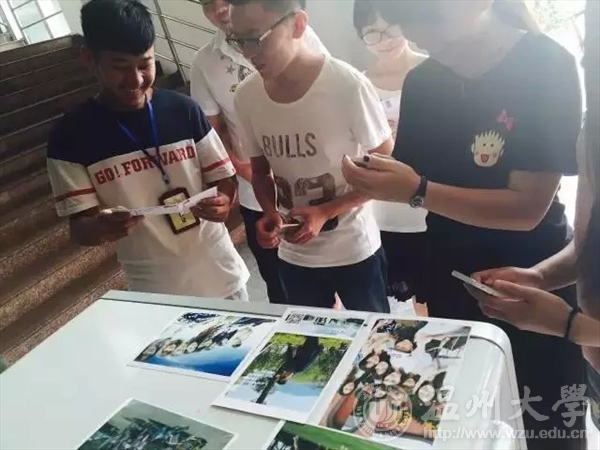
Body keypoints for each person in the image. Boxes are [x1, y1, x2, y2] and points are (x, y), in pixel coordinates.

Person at [341, 1, 586, 447]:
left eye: (428, 16)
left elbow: (527, 208)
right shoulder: (424, 81)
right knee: (467, 417)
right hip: (452, 271)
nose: (417, 34)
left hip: (533, 275)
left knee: (549, 421)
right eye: (407, 20)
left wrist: (416, 190)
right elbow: (413, 176)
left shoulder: (545, 64)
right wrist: (373, 177)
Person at [46, 0, 249, 300]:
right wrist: (100, 227)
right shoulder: (70, 137)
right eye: (119, 67)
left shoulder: (184, 110)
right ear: (89, 59)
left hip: (223, 275)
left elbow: (224, 179)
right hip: (155, 292)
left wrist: (224, 201)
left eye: (145, 64)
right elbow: (80, 228)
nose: (136, 80)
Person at [470, 0, 600, 431]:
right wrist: (539, 276)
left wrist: (570, 325)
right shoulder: (593, 132)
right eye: (590, 52)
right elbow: (586, 247)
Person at [227, 0, 393, 312]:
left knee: (373, 334)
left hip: (353, 248)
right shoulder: (247, 96)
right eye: (238, 40)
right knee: (308, 336)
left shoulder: (347, 86)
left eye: (256, 39)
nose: (247, 53)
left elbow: (388, 171)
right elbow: (260, 172)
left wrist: (327, 211)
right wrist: (270, 213)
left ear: (298, 24)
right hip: (295, 254)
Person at [190, 0, 329, 304]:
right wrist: (247, 171)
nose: (219, 9)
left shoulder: (296, 32)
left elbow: (326, 96)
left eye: (225, 0)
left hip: (315, 187)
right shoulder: (204, 62)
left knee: (328, 279)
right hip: (256, 193)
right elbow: (212, 132)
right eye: (208, 4)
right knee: (278, 281)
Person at [353, 0, 428, 311]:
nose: (385, 40)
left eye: (391, 28)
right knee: (392, 299)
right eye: (372, 32)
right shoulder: (357, 84)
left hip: (431, 206)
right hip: (380, 213)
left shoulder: (434, 74)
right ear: (360, 35)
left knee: (432, 297)